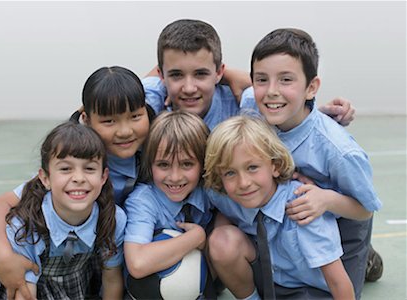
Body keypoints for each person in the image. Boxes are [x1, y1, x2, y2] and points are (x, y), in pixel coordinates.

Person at [0, 66, 152, 299]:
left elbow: (167, 70)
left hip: (88, 241)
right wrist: (4, 258)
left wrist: (219, 72)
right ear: (86, 119)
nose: (124, 131)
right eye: (109, 120)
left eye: (135, 116)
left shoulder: (152, 154)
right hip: (19, 248)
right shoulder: (74, 161)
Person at [244, 28, 382, 298]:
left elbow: (366, 209)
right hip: (291, 227)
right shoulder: (253, 106)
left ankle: (367, 260)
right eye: (262, 79)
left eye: (286, 80)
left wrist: (327, 200)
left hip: (342, 227)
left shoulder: (338, 150)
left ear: (311, 87)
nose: (271, 92)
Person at [0, 121, 126, 299]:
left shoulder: (113, 219)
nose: (78, 178)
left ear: (103, 177)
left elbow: (112, 279)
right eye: (66, 169)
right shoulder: (25, 225)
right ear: (45, 178)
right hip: (3, 260)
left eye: (89, 168)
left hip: (59, 272)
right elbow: (23, 293)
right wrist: (3, 257)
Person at [204, 115, 355, 300]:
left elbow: (338, 281)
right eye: (230, 172)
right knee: (221, 241)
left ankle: (369, 262)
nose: (243, 183)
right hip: (271, 279)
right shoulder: (227, 196)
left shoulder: (302, 207)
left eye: (252, 167)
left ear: (275, 166)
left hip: (310, 290)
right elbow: (221, 208)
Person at [142, 18, 355, 131]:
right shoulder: (149, 104)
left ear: (219, 73)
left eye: (201, 74)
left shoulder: (244, 103)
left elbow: (285, 107)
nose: (189, 88)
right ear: (162, 76)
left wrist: (321, 114)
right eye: (177, 75)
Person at [123, 111, 215, 299]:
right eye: (163, 165)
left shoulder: (207, 192)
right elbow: (137, 263)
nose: (174, 177)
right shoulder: (143, 201)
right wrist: (196, 237)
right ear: (150, 165)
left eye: (186, 164)